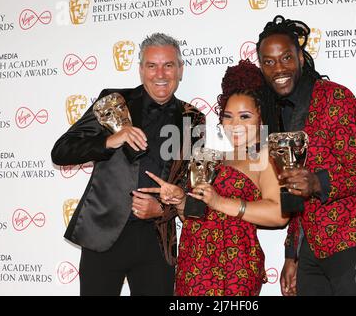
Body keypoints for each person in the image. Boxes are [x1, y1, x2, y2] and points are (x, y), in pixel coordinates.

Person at [256, 15, 356, 296]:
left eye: (286, 57)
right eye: (268, 62)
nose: (278, 68)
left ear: (300, 56)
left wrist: (317, 182)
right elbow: (293, 188)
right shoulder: (277, 114)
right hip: (311, 242)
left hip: (353, 235)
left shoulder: (336, 98)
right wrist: (291, 255)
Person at [51, 33, 204, 296]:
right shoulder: (113, 101)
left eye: (168, 65)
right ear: (140, 69)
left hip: (157, 243)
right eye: (152, 65)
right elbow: (61, 152)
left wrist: (162, 210)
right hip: (104, 236)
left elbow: (194, 188)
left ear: (180, 69)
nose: (160, 74)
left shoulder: (194, 118)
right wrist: (110, 140)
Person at [140, 59, 289, 296]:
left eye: (245, 116)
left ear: (261, 117)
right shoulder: (213, 157)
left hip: (234, 267)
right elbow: (198, 215)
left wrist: (220, 202)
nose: (235, 124)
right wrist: (180, 201)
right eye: (228, 116)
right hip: (193, 264)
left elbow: (279, 214)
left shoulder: (267, 157)